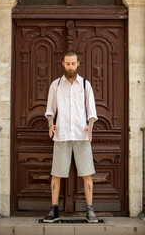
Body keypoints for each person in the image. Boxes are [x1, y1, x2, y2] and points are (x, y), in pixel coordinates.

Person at [44, 50, 98, 223]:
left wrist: (90, 127)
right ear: (63, 64)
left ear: (78, 64)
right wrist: (50, 124)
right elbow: (50, 110)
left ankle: (90, 211)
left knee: (87, 173)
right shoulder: (56, 85)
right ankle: (54, 210)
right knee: (56, 174)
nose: (70, 67)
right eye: (67, 63)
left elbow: (91, 111)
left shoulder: (85, 85)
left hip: (82, 136)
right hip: (61, 134)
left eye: (73, 63)